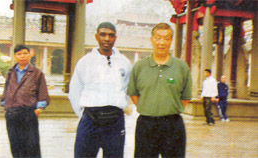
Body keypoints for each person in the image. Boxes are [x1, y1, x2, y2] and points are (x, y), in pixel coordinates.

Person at [127, 23, 192, 158]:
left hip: (173, 125)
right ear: (151, 40)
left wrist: (168, 109)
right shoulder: (139, 67)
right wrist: (149, 108)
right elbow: (133, 95)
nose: (161, 42)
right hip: (146, 125)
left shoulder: (181, 67)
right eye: (157, 38)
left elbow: (185, 98)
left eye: (166, 38)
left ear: (171, 40)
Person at [68, 22, 131, 158]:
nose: (107, 39)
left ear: (115, 38)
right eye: (103, 35)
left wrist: (120, 104)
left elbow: (127, 89)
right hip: (90, 119)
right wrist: (82, 115)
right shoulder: (85, 62)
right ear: (96, 37)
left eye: (111, 35)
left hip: (115, 120)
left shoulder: (124, 62)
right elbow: (74, 91)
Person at [0, 44, 49, 158]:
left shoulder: (37, 73)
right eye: (19, 54)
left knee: (32, 146)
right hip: (12, 113)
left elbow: (43, 92)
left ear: (30, 55)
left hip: (28, 113)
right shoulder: (10, 72)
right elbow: (6, 90)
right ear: (15, 56)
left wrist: (39, 109)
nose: (22, 56)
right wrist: (6, 107)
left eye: (25, 53)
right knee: (15, 145)